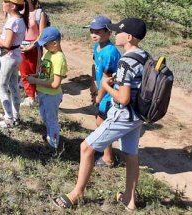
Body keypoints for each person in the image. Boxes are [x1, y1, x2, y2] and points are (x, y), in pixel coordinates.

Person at [53, 18, 147, 211]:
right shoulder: (144, 55)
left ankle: (77, 194)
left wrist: (105, 86)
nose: (115, 34)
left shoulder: (126, 61)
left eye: (118, 32)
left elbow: (123, 98)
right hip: (138, 115)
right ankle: (130, 199)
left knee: (86, 148)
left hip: (124, 114)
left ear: (128, 37)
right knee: (130, 155)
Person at [86, 15, 121, 168]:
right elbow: (95, 67)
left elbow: (107, 79)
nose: (94, 34)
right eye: (91, 31)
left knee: (102, 123)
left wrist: (98, 98)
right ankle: (106, 153)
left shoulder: (110, 52)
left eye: (98, 32)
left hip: (109, 93)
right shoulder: (98, 46)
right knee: (101, 122)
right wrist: (93, 84)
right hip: (101, 90)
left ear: (109, 33)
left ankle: (108, 158)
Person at [27, 26, 68, 149]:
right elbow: (45, 72)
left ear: (55, 43)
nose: (43, 47)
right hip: (43, 92)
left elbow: (55, 84)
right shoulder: (49, 54)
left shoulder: (59, 58)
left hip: (51, 95)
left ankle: (53, 144)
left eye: (45, 44)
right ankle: (50, 136)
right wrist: (36, 75)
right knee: (45, 116)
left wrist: (35, 80)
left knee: (51, 120)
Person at [0, 0, 27, 128]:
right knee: (13, 86)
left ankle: (8, 119)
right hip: (16, 56)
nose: (3, 3)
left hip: (8, 57)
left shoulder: (12, 22)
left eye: (6, 1)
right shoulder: (20, 19)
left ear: (12, 6)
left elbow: (7, 44)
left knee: (0, 86)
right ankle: (15, 115)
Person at [19, 0, 46, 107]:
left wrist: (32, 46)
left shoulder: (39, 13)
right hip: (22, 45)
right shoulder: (20, 14)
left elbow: (42, 34)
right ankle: (30, 96)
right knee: (24, 72)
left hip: (34, 47)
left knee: (35, 72)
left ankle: (38, 95)